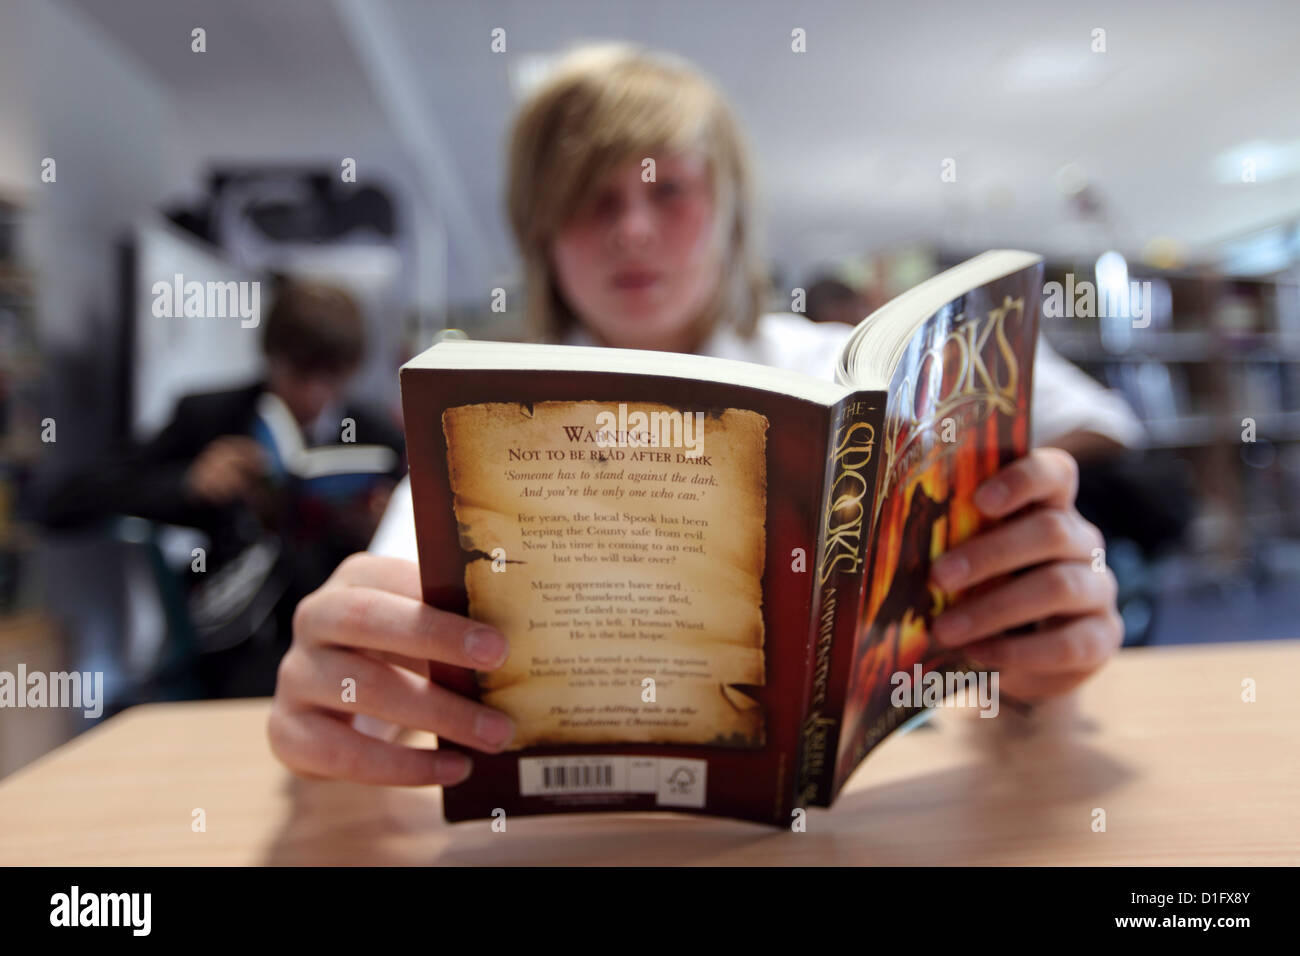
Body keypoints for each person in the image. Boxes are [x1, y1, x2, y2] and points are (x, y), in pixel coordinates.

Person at [269, 44, 1143, 787]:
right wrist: (339, 699)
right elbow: (378, 673)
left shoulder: (834, 374)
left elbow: (1097, 422)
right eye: (591, 199)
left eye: (669, 191)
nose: (633, 231)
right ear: (542, 235)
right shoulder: (480, 424)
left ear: (729, 214)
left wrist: (1024, 591)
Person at [41, 280, 405, 697]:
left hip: (341, 635)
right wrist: (188, 483)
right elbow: (66, 500)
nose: (314, 396)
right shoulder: (212, 417)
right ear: (271, 359)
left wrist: (382, 525)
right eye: (299, 375)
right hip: (232, 645)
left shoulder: (377, 439)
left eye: (332, 379)